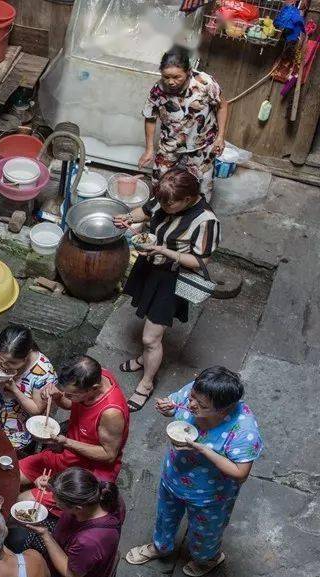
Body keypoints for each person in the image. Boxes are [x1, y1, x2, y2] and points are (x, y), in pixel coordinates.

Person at [126, 367, 262, 577]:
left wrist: (203, 450)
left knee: (205, 533)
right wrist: (167, 407)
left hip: (211, 495)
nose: (191, 404)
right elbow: (175, 406)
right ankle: (160, 547)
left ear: (223, 410)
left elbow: (240, 473)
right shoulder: (198, 391)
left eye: (201, 405)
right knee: (165, 517)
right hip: (173, 477)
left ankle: (208, 559)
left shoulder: (243, 430)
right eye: (192, 398)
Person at [114, 168, 222, 411]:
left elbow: (201, 261)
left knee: (150, 337)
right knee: (147, 321)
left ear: (187, 199)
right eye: (161, 201)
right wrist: (127, 219)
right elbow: (145, 211)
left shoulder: (206, 221)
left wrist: (164, 251)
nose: (162, 207)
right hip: (150, 267)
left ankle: (146, 383)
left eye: (169, 205)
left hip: (171, 278)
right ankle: (145, 358)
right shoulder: (167, 196)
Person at [18, 356, 129, 514]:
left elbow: (109, 454)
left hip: (87, 474)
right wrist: (57, 396)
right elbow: (70, 404)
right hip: (67, 455)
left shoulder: (111, 413)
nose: (66, 395)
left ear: (94, 388)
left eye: (70, 394)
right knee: (12, 474)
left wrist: (66, 442)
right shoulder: (93, 375)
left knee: (23, 501)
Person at [18, 468, 125, 577]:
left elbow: (71, 575)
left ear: (77, 508)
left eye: (57, 501)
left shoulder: (89, 541)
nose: (53, 500)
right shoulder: (104, 495)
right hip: (80, 554)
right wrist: (54, 486)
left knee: (17, 576)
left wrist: (45, 535)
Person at [140, 45, 228, 197]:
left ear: (188, 72)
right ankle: (157, 215)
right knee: (160, 185)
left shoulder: (205, 83)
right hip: (170, 144)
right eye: (166, 77)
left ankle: (199, 218)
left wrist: (220, 137)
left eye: (176, 77)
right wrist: (149, 149)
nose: (171, 82)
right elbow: (150, 117)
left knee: (202, 187)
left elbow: (222, 106)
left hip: (202, 144)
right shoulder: (158, 89)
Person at [0, 324, 56, 451]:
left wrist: (14, 389)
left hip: (17, 419)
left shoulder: (43, 371)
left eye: (12, 363)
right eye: (0, 360)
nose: (4, 365)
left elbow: (36, 410)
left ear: (27, 354)